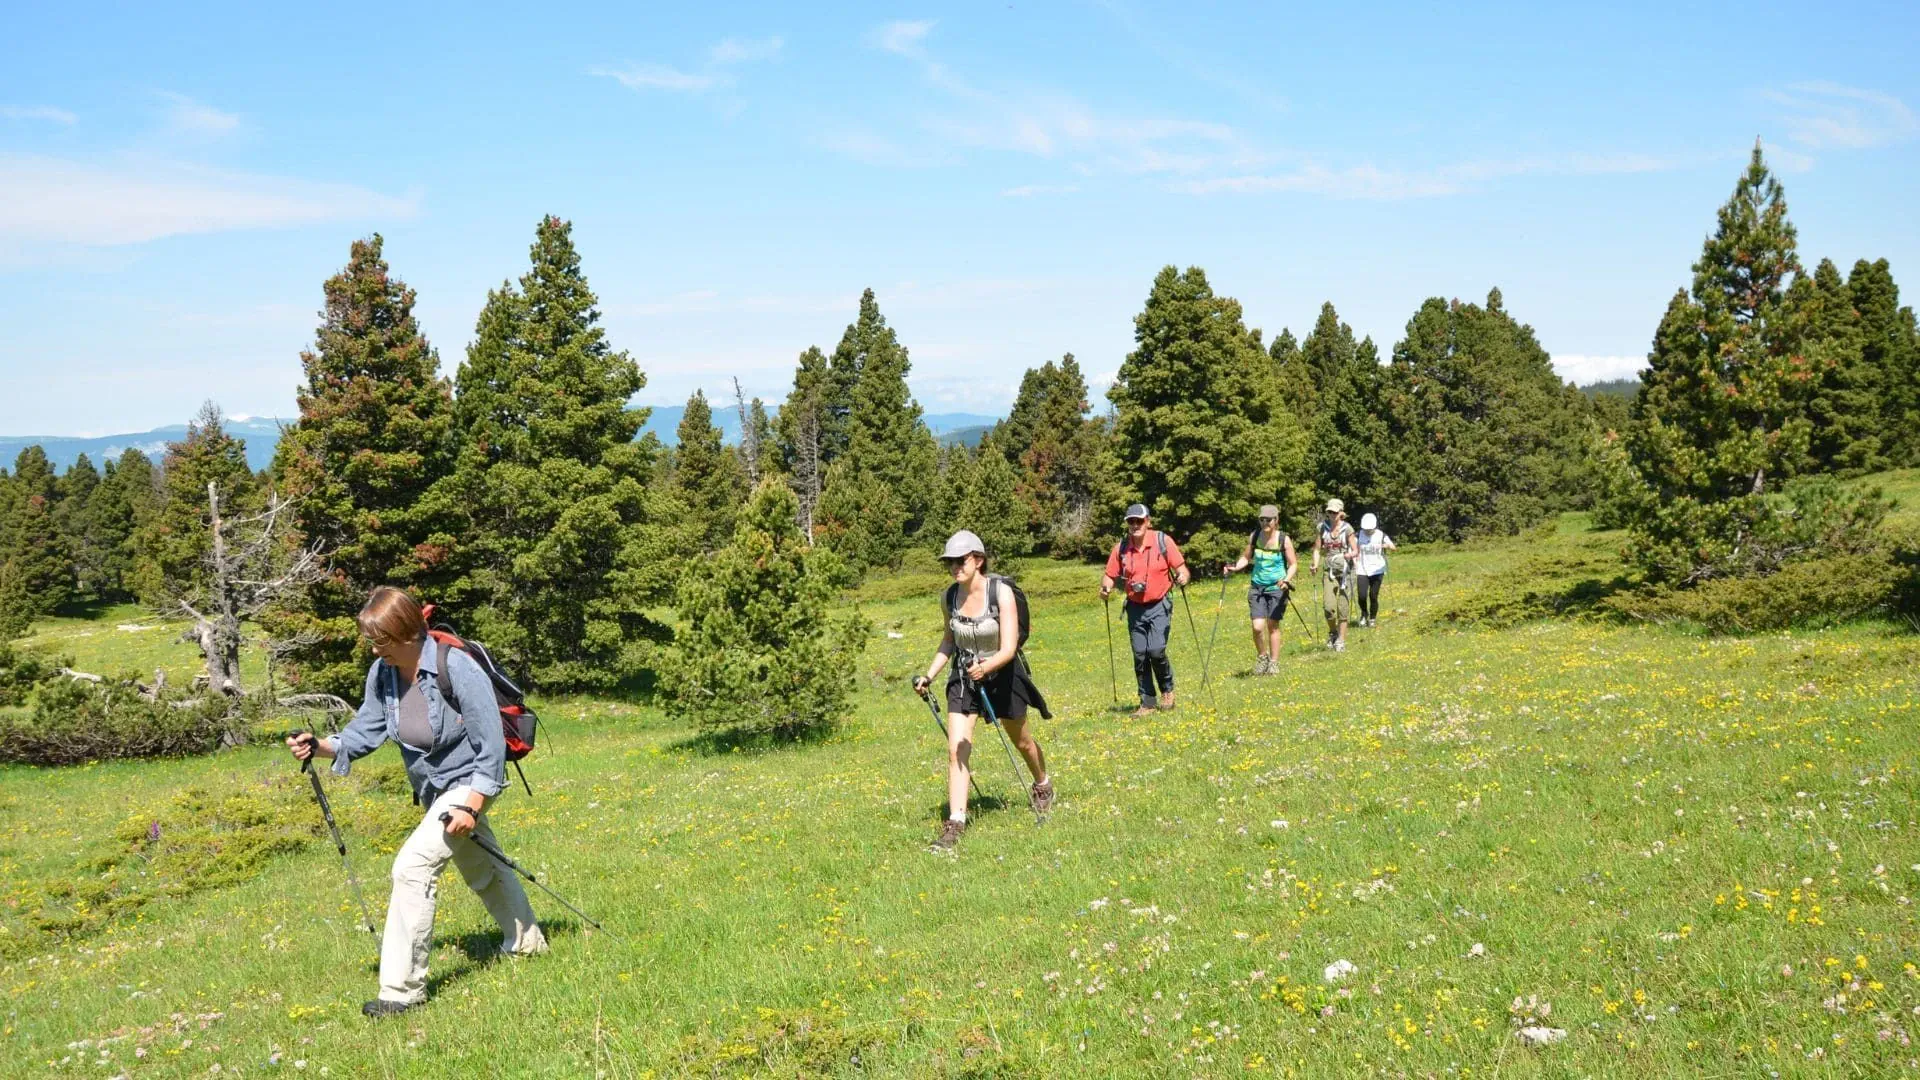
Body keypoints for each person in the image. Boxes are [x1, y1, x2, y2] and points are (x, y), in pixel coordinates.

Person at [287, 587, 546, 1018]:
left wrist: (471, 806)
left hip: (469, 783)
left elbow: (491, 746)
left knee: (412, 867)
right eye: (371, 640)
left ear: (408, 633)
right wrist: (320, 746)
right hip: (434, 789)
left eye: (381, 640)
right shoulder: (383, 674)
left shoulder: (456, 668)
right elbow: (364, 731)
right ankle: (528, 943)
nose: (374, 649)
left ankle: (401, 992)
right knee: (484, 867)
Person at [914, 531, 1054, 853]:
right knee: (956, 749)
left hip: (1002, 673)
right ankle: (956, 822)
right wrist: (929, 675)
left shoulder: (1000, 593)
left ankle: (1042, 784)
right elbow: (949, 641)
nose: (954, 568)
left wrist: (987, 668)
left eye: (960, 561)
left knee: (1022, 741)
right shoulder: (949, 597)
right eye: (949, 562)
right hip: (964, 677)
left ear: (977, 560)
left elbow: (1008, 647)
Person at [1100, 504, 1190, 717]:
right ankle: (1147, 702)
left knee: (1156, 651)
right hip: (1135, 608)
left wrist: (1183, 577)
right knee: (1140, 654)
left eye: (1139, 521)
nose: (1135, 525)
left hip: (1159, 604)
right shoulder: (1120, 548)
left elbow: (1182, 569)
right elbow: (1109, 575)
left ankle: (1167, 690)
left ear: (1148, 521)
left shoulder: (1162, 541)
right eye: (1131, 521)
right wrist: (1105, 589)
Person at [1221, 504, 1297, 675]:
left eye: (1268, 520)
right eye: (1262, 519)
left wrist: (1287, 580)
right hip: (1257, 587)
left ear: (1276, 520)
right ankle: (1263, 657)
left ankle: (1274, 663)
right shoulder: (1255, 536)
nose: (1265, 523)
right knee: (1257, 627)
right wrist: (1235, 567)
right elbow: (1246, 558)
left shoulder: (1284, 539)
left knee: (1272, 625)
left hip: (1276, 588)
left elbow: (1293, 564)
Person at [1312, 498, 1359, 652]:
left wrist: (1349, 555)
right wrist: (1315, 564)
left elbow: (1355, 550)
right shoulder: (1322, 528)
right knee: (1328, 607)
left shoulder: (1348, 529)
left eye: (1334, 512)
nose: (1331, 514)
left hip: (1346, 571)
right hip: (1329, 570)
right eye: (1329, 512)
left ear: (1340, 513)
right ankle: (1333, 632)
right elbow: (1318, 549)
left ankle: (1341, 640)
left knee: (1343, 607)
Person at [1354, 512, 1396, 628]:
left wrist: (1384, 546)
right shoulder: (1358, 535)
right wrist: (1354, 559)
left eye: (1370, 530)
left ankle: (1372, 618)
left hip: (1377, 569)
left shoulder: (1381, 535)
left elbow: (1393, 547)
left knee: (1373, 595)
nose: (1368, 532)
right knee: (1362, 595)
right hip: (1362, 569)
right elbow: (1354, 549)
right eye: (1366, 530)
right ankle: (1364, 613)